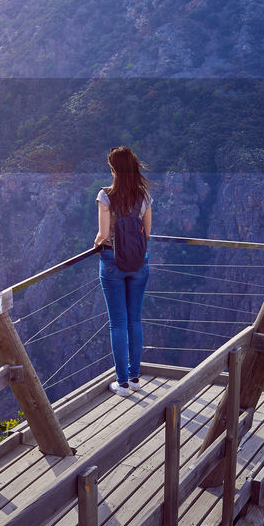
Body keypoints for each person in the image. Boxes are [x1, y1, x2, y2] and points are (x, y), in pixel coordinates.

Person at [93, 146, 153, 397]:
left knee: (117, 323)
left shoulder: (105, 196)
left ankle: (123, 383)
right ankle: (135, 377)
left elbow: (104, 234)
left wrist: (96, 244)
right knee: (135, 320)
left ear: (113, 169)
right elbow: (147, 233)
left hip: (112, 262)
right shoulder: (144, 196)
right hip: (139, 263)